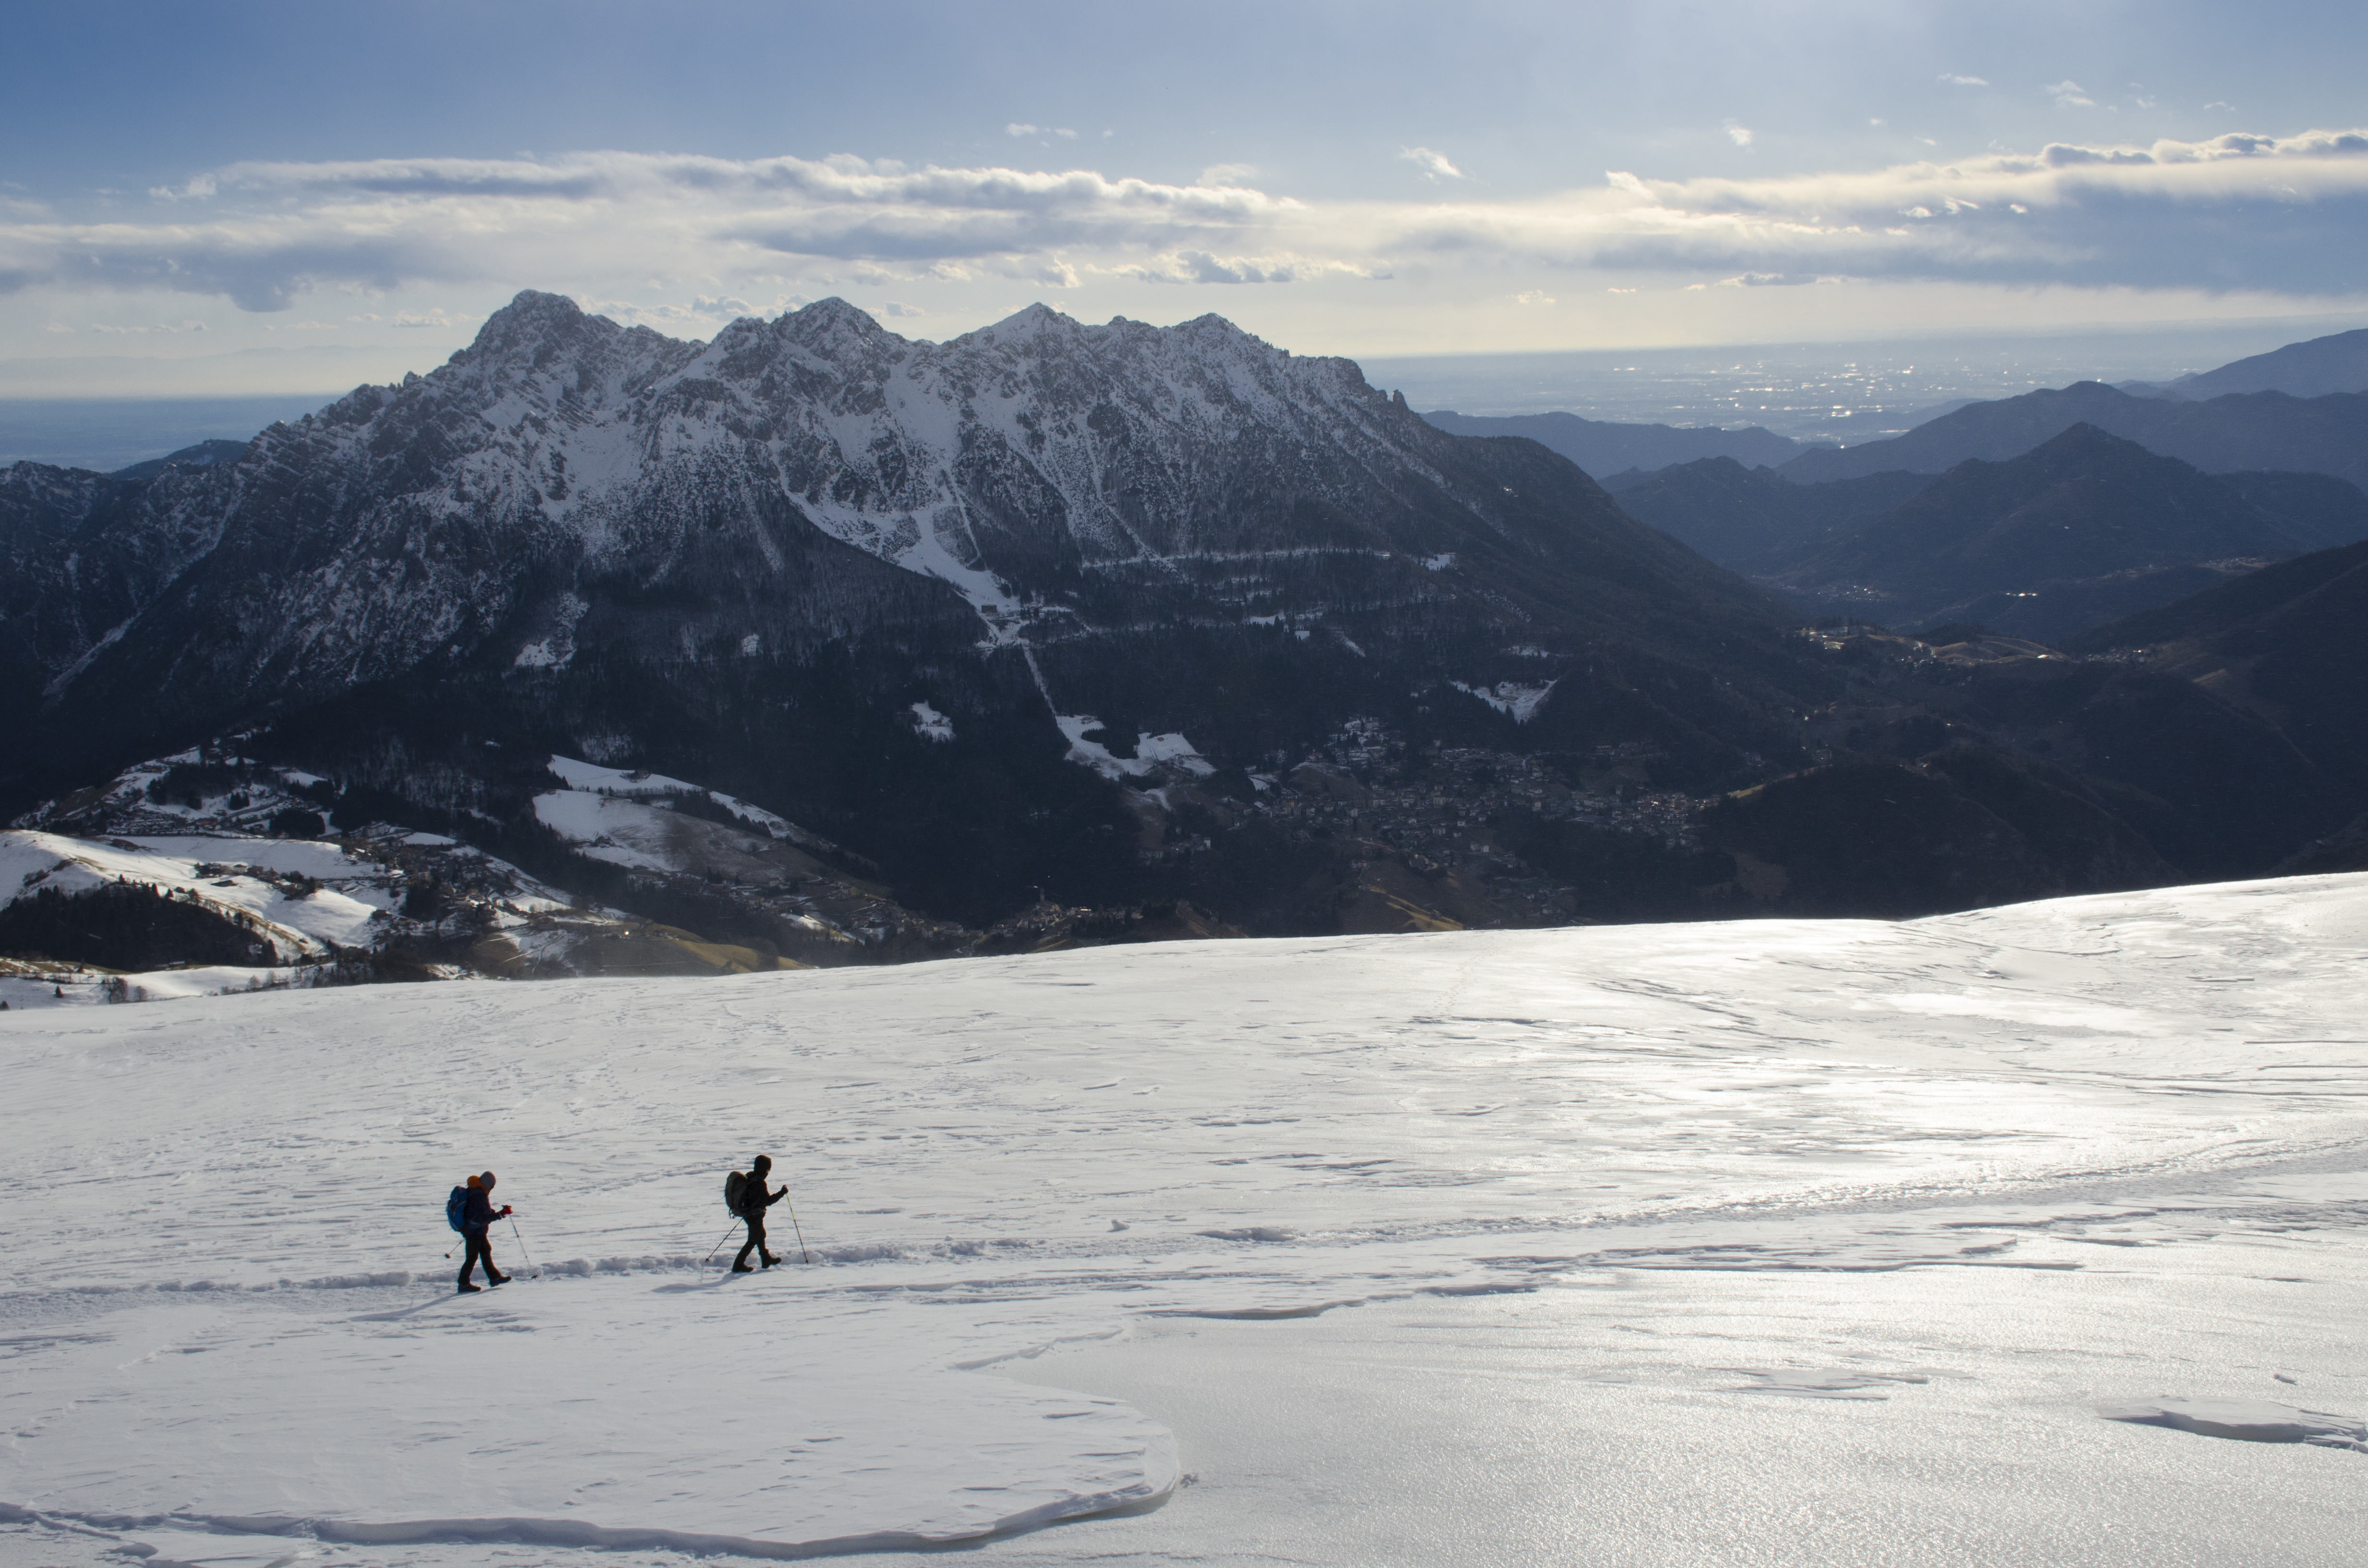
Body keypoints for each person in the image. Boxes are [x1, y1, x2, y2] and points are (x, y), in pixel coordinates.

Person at [456, 1171, 513, 1293]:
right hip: (474, 1231)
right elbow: (483, 1218)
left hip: (477, 1230)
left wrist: (498, 1213)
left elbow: (482, 1213)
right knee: (472, 1257)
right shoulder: (479, 1195)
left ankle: (495, 1278)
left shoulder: (476, 1191)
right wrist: (501, 1214)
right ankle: (463, 1284)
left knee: (486, 1251)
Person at [734, 1155, 786, 1272]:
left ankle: (766, 1259)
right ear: (763, 1169)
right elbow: (767, 1201)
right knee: (753, 1240)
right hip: (754, 1216)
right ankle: (738, 1265)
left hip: (749, 1214)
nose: (768, 1173)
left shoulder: (750, 1177)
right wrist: (782, 1193)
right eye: (768, 1170)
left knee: (761, 1235)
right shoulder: (759, 1183)